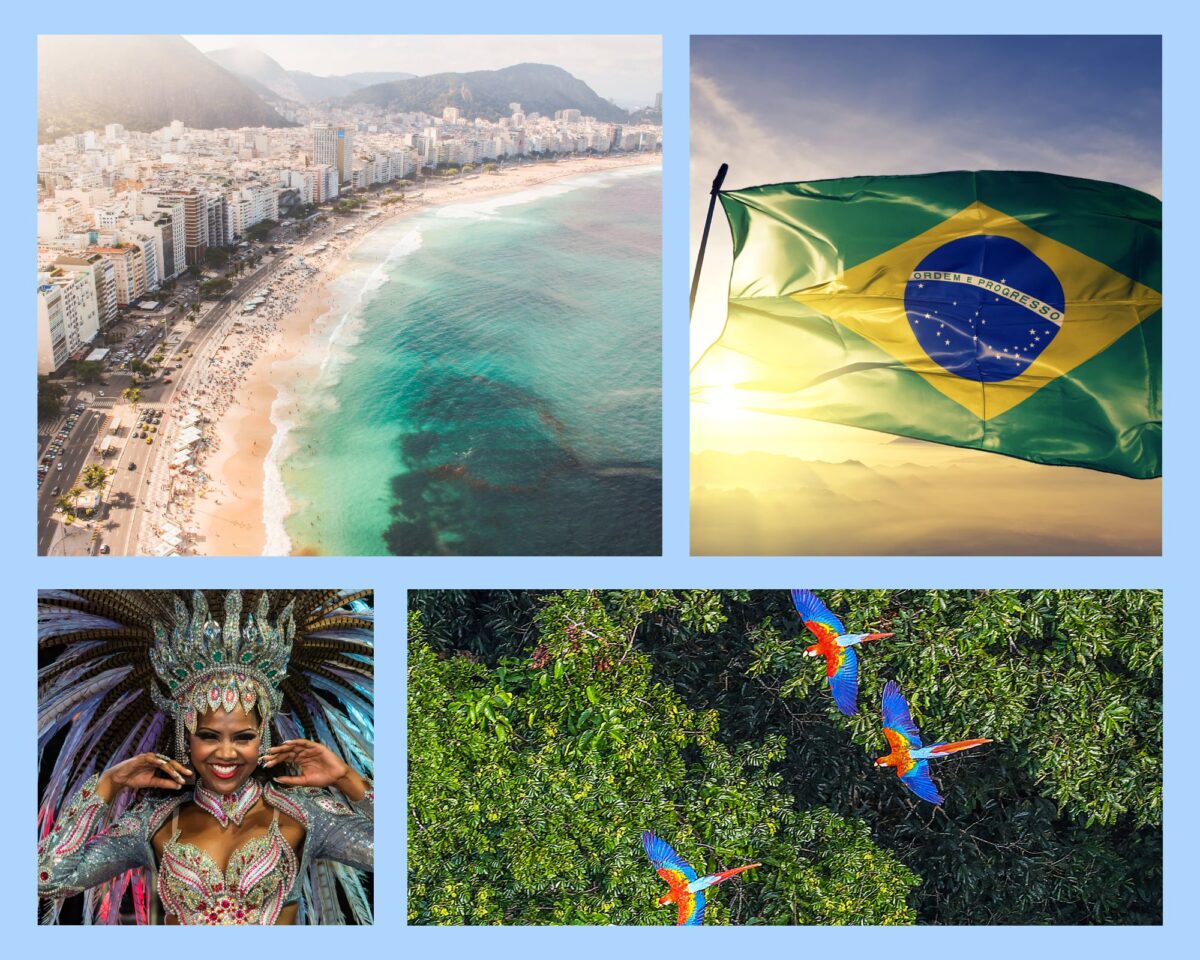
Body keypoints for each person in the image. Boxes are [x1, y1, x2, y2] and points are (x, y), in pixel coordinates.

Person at [37, 589, 374, 925]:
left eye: (243, 737)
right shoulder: (152, 822)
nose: (226, 753)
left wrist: (347, 779)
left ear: (263, 737)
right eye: (209, 736)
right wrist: (110, 783)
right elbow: (49, 878)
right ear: (186, 738)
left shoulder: (305, 813)